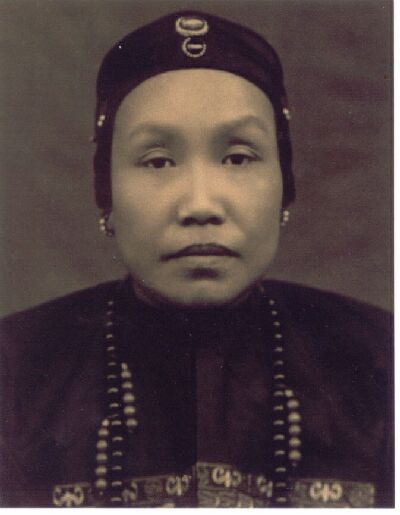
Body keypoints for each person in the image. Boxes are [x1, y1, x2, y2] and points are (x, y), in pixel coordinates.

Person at [0, 10, 393, 508]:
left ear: (284, 185)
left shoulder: (381, 361)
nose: (201, 205)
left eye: (238, 157)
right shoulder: (14, 370)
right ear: (106, 194)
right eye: (158, 161)